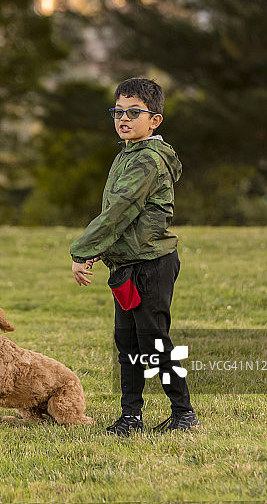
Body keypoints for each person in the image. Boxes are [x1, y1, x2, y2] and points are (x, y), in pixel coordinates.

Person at [70, 78, 198, 435]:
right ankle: (131, 417)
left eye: (134, 112)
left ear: (154, 120)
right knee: (126, 342)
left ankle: (184, 413)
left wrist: (83, 249)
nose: (123, 118)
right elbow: (119, 219)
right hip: (127, 265)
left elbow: (119, 212)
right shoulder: (129, 154)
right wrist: (100, 253)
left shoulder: (148, 162)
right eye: (118, 111)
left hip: (151, 265)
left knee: (154, 343)